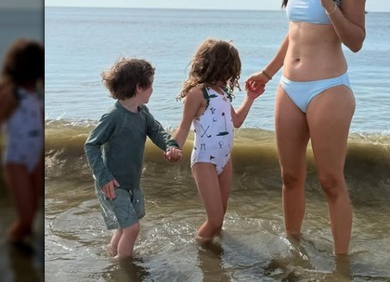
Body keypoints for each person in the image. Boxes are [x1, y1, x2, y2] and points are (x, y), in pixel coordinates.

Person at [244, 0, 367, 255]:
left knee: (330, 181)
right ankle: (294, 253)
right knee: (289, 178)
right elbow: (295, 33)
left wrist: (330, 3)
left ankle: (342, 266)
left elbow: (356, 41)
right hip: (289, 87)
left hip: (328, 88)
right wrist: (267, 73)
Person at [84, 58, 183, 258]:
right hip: (113, 184)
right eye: (151, 85)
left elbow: (157, 131)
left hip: (131, 182)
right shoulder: (114, 117)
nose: (153, 90)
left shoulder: (142, 113)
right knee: (132, 229)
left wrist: (170, 146)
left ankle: (112, 255)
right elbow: (91, 145)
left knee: (124, 226)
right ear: (139, 87)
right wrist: (104, 178)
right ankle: (124, 268)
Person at [170, 39, 265, 242]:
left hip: (224, 159)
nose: (231, 75)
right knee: (214, 221)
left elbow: (236, 121)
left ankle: (217, 256)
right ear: (216, 66)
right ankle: (199, 249)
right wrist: (173, 147)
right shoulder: (197, 94)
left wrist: (250, 98)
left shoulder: (222, 94)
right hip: (205, 160)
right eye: (229, 69)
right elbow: (184, 126)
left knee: (220, 218)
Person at [0, 39, 44, 247]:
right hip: (16, 159)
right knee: (26, 219)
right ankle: (11, 247)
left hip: (35, 158)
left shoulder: (38, 94)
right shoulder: (9, 95)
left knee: (32, 216)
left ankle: (23, 254)